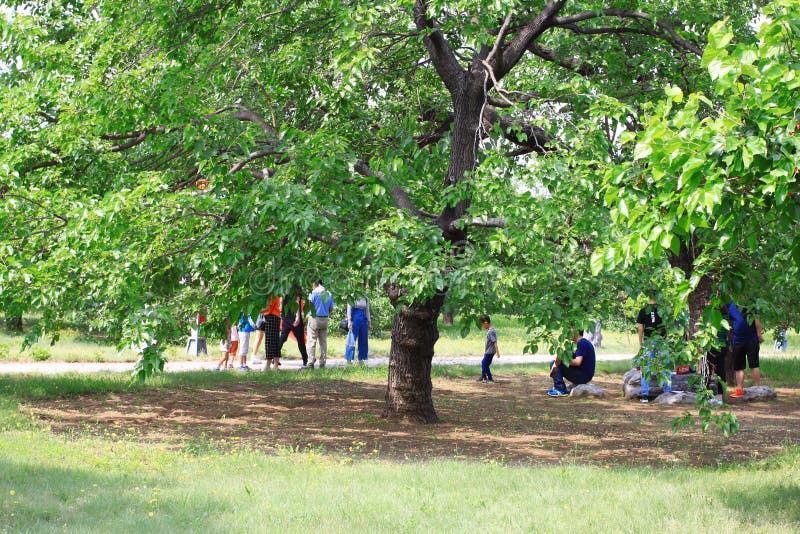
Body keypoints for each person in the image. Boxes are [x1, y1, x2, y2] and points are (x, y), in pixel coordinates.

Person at [636, 291, 672, 403]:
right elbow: (669, 326)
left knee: (646, 367)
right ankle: (667, 393)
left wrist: (640, 344)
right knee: (665, 366)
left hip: (648, 341)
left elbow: (640, 328)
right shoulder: (663, 310)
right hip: (662, 341)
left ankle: (645, 395)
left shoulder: (643, 310)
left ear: (648, 297)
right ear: (659, 297)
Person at [727, 302, 764, 398]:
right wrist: (728, 335)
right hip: (737, 341)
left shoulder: (750, 304)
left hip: (752, 340)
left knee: (754, 364)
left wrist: (759, 335)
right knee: (739, 367)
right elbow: (729, 322)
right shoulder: (730, 305)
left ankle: (757, 389)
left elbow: (757, 320)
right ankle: (739, 390)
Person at [547, 329, 595, 396]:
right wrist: (555, 365)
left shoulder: (582, 343)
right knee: (554, 361)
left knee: (559, 362)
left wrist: (560, 361)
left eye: (570, 331)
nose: (568, 333)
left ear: (577, 331)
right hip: (579, 373)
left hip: (584, 375)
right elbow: (560, 357)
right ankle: (558, 387)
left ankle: (560, 389)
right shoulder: (574, 345)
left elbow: (578, 362)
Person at [705, 303, 730, 404]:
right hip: (723, 346)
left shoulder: (711, 315)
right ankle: (720, 396)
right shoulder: (726, 315)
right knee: (721, 370)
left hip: (712, 346)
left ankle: (706, 395)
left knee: (708, 371)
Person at [306, 279, 334, 369]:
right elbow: (331, 308)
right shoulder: (328, 293)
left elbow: (309, 306)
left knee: (311, 341)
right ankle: (322, 363)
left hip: (314, 318)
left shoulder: (313, 293)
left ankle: (310, 363)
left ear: (315, 283)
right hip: (324, 319)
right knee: (323, 342)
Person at [279, 289, 309, 368]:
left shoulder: (283, 287)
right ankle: (305, 361)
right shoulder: (296, 287)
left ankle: (275, 358)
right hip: (294, 318)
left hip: (285, 317)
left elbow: (281, 301)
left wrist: (282, 314)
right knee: (300, 340)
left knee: (282, 338)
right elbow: (297, 302)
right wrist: (298, 317)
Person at [346, 289, 372, 365]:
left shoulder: (366, 297)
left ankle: (362, 359)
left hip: (363, 318)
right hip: (355, 317)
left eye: (364, 285)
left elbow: (367, 310)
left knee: (364, 338)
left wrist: (369, 323)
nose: (363, 287)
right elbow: (349, 309)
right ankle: (349, 359)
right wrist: (349, 321)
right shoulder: (352, 296)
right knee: (352, 338)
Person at [477, 315, 500, 382]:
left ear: (486, 323)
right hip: (489, 351)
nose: (483, 326)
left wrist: (498, 352)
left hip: (490, 351)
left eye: (483, 324)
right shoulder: (490, 330)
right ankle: (483, 376)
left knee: (485, 364)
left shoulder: (491, 332)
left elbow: (494, 342)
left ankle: (489, 378)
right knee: (485, 363)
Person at [262, 296, 282, 370]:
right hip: (275, 317)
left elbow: (268, 309)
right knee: (275, 341)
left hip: (271, 318)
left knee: (269, 342)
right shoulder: (276, 293)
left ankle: (268, 365)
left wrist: (257, 311)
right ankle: (275, 366)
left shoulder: (271, 295)